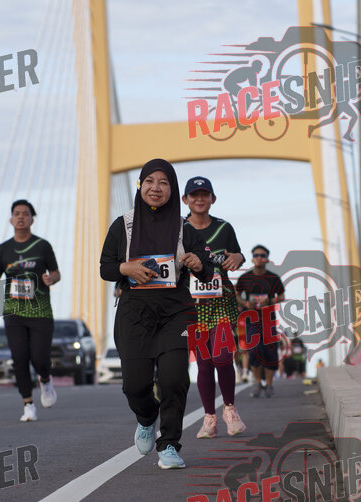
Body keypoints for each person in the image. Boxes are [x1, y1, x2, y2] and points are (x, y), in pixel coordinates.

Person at [100, 158, 214, 469]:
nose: (156, 188)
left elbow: (206, 269)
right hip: (134, 313)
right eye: (150, 181)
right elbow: (106, 268)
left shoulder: (184, 228)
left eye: (164, 183)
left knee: (174, 379)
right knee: (134, 385)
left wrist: (197, 263)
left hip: (175, 313)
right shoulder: (123, 225)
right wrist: (127, 268)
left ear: (172, 189)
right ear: (140, 185)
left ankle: (169, 445)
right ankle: (147, 417)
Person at [0, 199, 61, 422]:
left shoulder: (42, 246)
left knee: (40, 358)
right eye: (17, 213)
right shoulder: (3, 250)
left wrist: (51, 279)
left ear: (32, 219)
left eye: (25, 214)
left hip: (40, 311)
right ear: (11, 219)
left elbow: (56, 272)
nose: (21, 217)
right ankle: (28, 404)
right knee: (19, 357)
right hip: (14, 312)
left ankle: (45, 379)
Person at [181, 176, 247, 439]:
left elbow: (236, 255)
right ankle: (209, 418)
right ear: (185, 200)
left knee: (222, 357)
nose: (199, 199)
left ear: (213, 199)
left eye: (204, 194)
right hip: (192, 306)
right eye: (194, 195)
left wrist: (239, 257)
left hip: (221, 303)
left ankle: (230, 409)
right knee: (205, 364)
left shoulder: (224, 228)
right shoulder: (178, 230)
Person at [235, 245, 285, 398]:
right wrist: (245, 303)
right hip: (251, 320)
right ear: (252, 259)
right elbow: (236, 294)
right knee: (255, 350)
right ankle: (257, 382)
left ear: (267, 259)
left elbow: (282, 296)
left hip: (269, 320)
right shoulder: (245, 278)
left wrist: (270, 301)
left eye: (262, 255)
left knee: (270, 353)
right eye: (256, 255)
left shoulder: (273, 278)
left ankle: (269, 385)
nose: (259, 258)